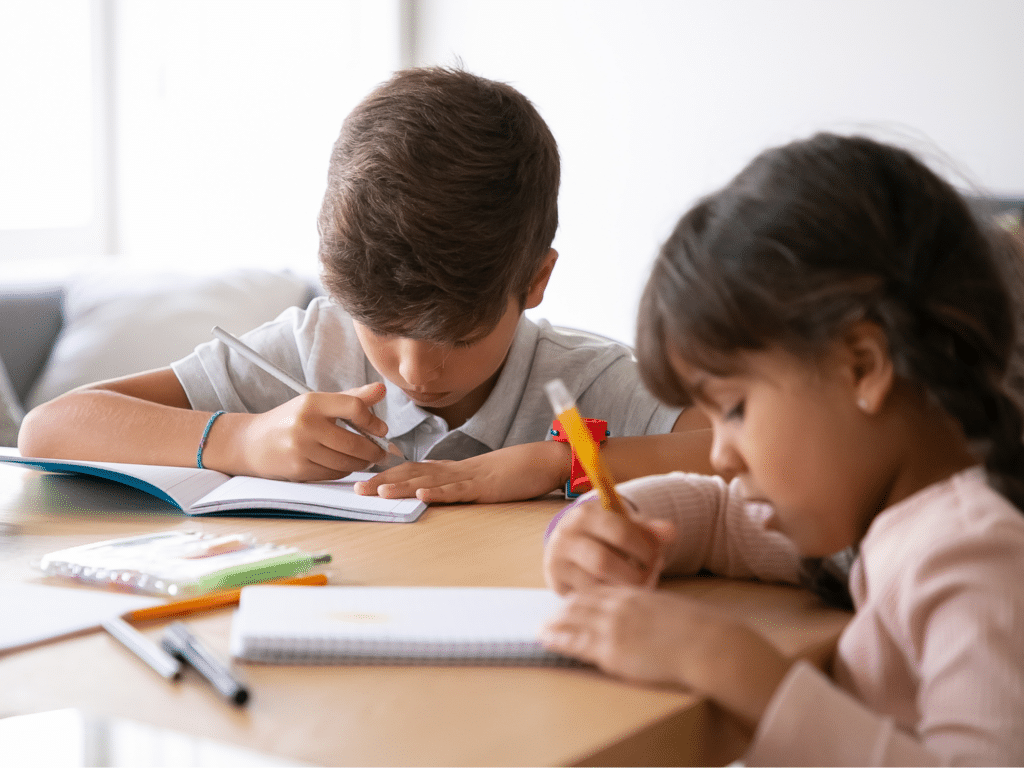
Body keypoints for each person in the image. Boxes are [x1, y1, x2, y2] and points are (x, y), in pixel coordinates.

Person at [539, 133, 1024, 765]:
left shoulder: (972, 555)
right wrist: (608, 524)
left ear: (861, 366)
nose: (720, 455)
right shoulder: (888, 516)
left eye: (735, 409)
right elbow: (720, 516)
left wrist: (730, 666)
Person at [18, 66, 710, 504]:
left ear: (534, 282)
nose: (415, 370)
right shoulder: (311, 352)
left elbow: (745, 454)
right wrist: (241, 439)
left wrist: (554, 464)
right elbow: (50, 428)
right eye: (380, 326)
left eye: (457, 334)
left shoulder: (584, 383)